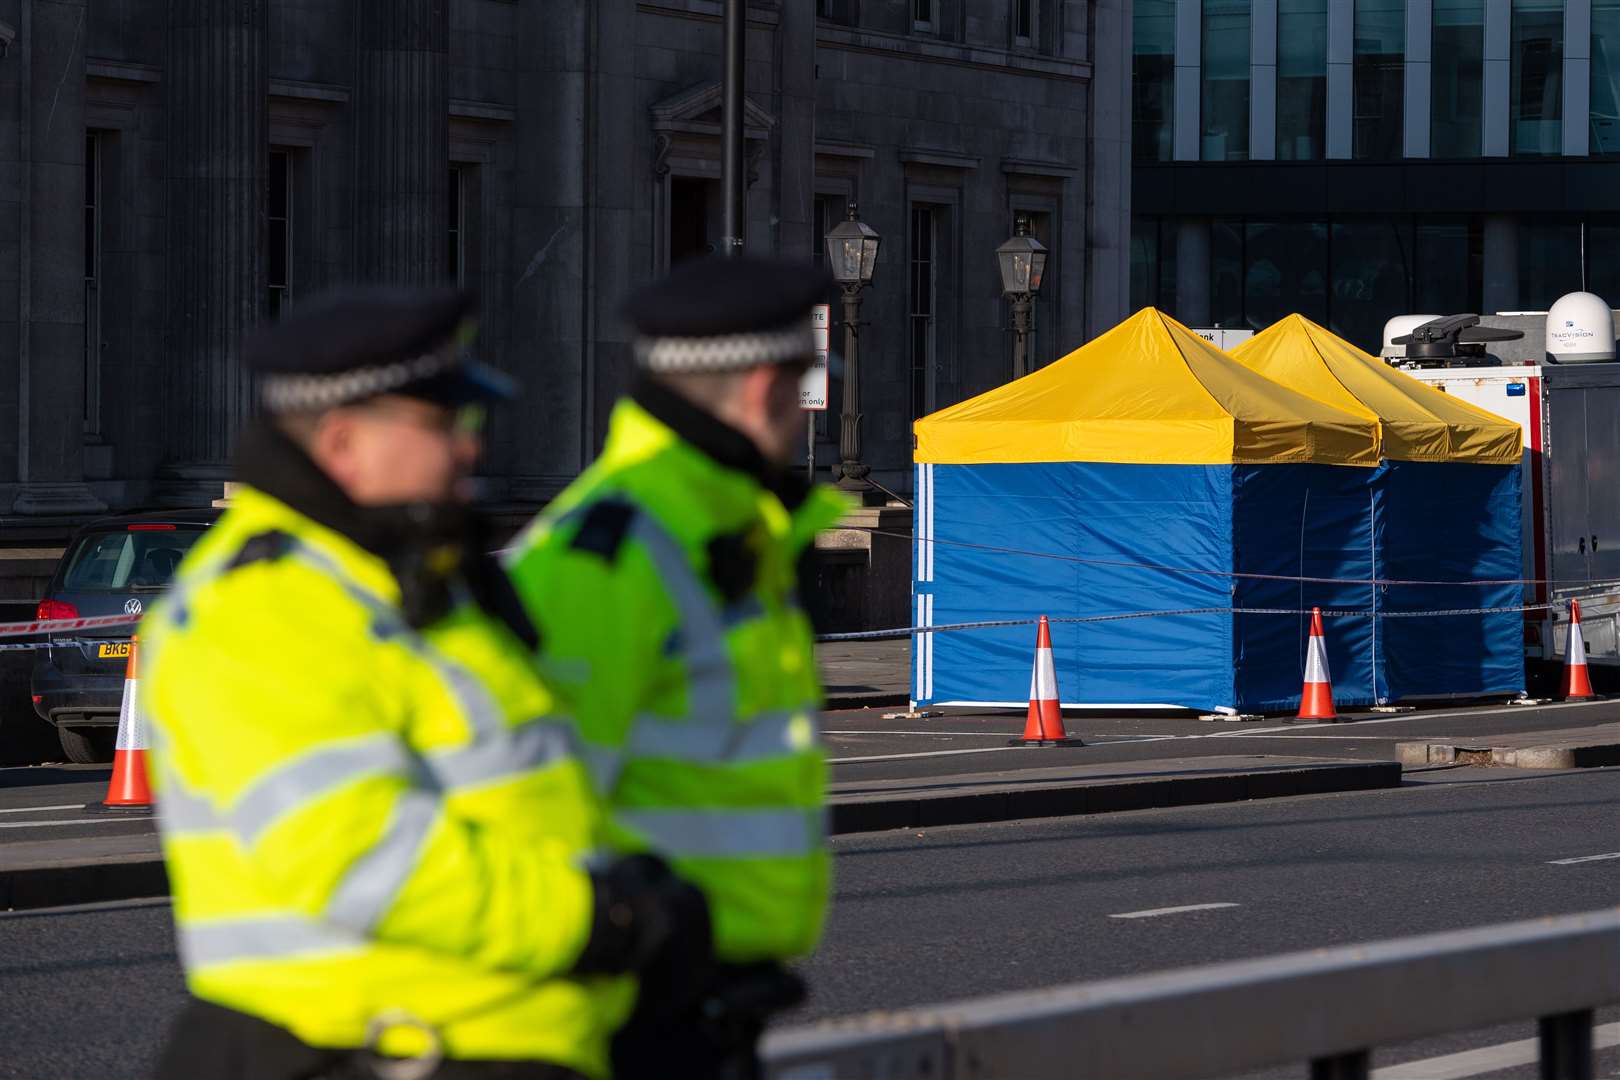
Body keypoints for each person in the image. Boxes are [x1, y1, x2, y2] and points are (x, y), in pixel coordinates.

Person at [142, 286, 709, 1080]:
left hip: (475, 1040)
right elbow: (355, 856)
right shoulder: (270, 603)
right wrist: (599, 917)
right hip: (380, 1049)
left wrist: (629, 887)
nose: (470, 447)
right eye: (442, 424)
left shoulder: (404, 581)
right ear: (341, 444)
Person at [504, 256, 849, 1078]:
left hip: (698, 992)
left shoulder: (718, 523)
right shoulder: (615, 548)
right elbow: (533, 798)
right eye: (804, 384)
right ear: (767, 385)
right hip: (625, 1005)